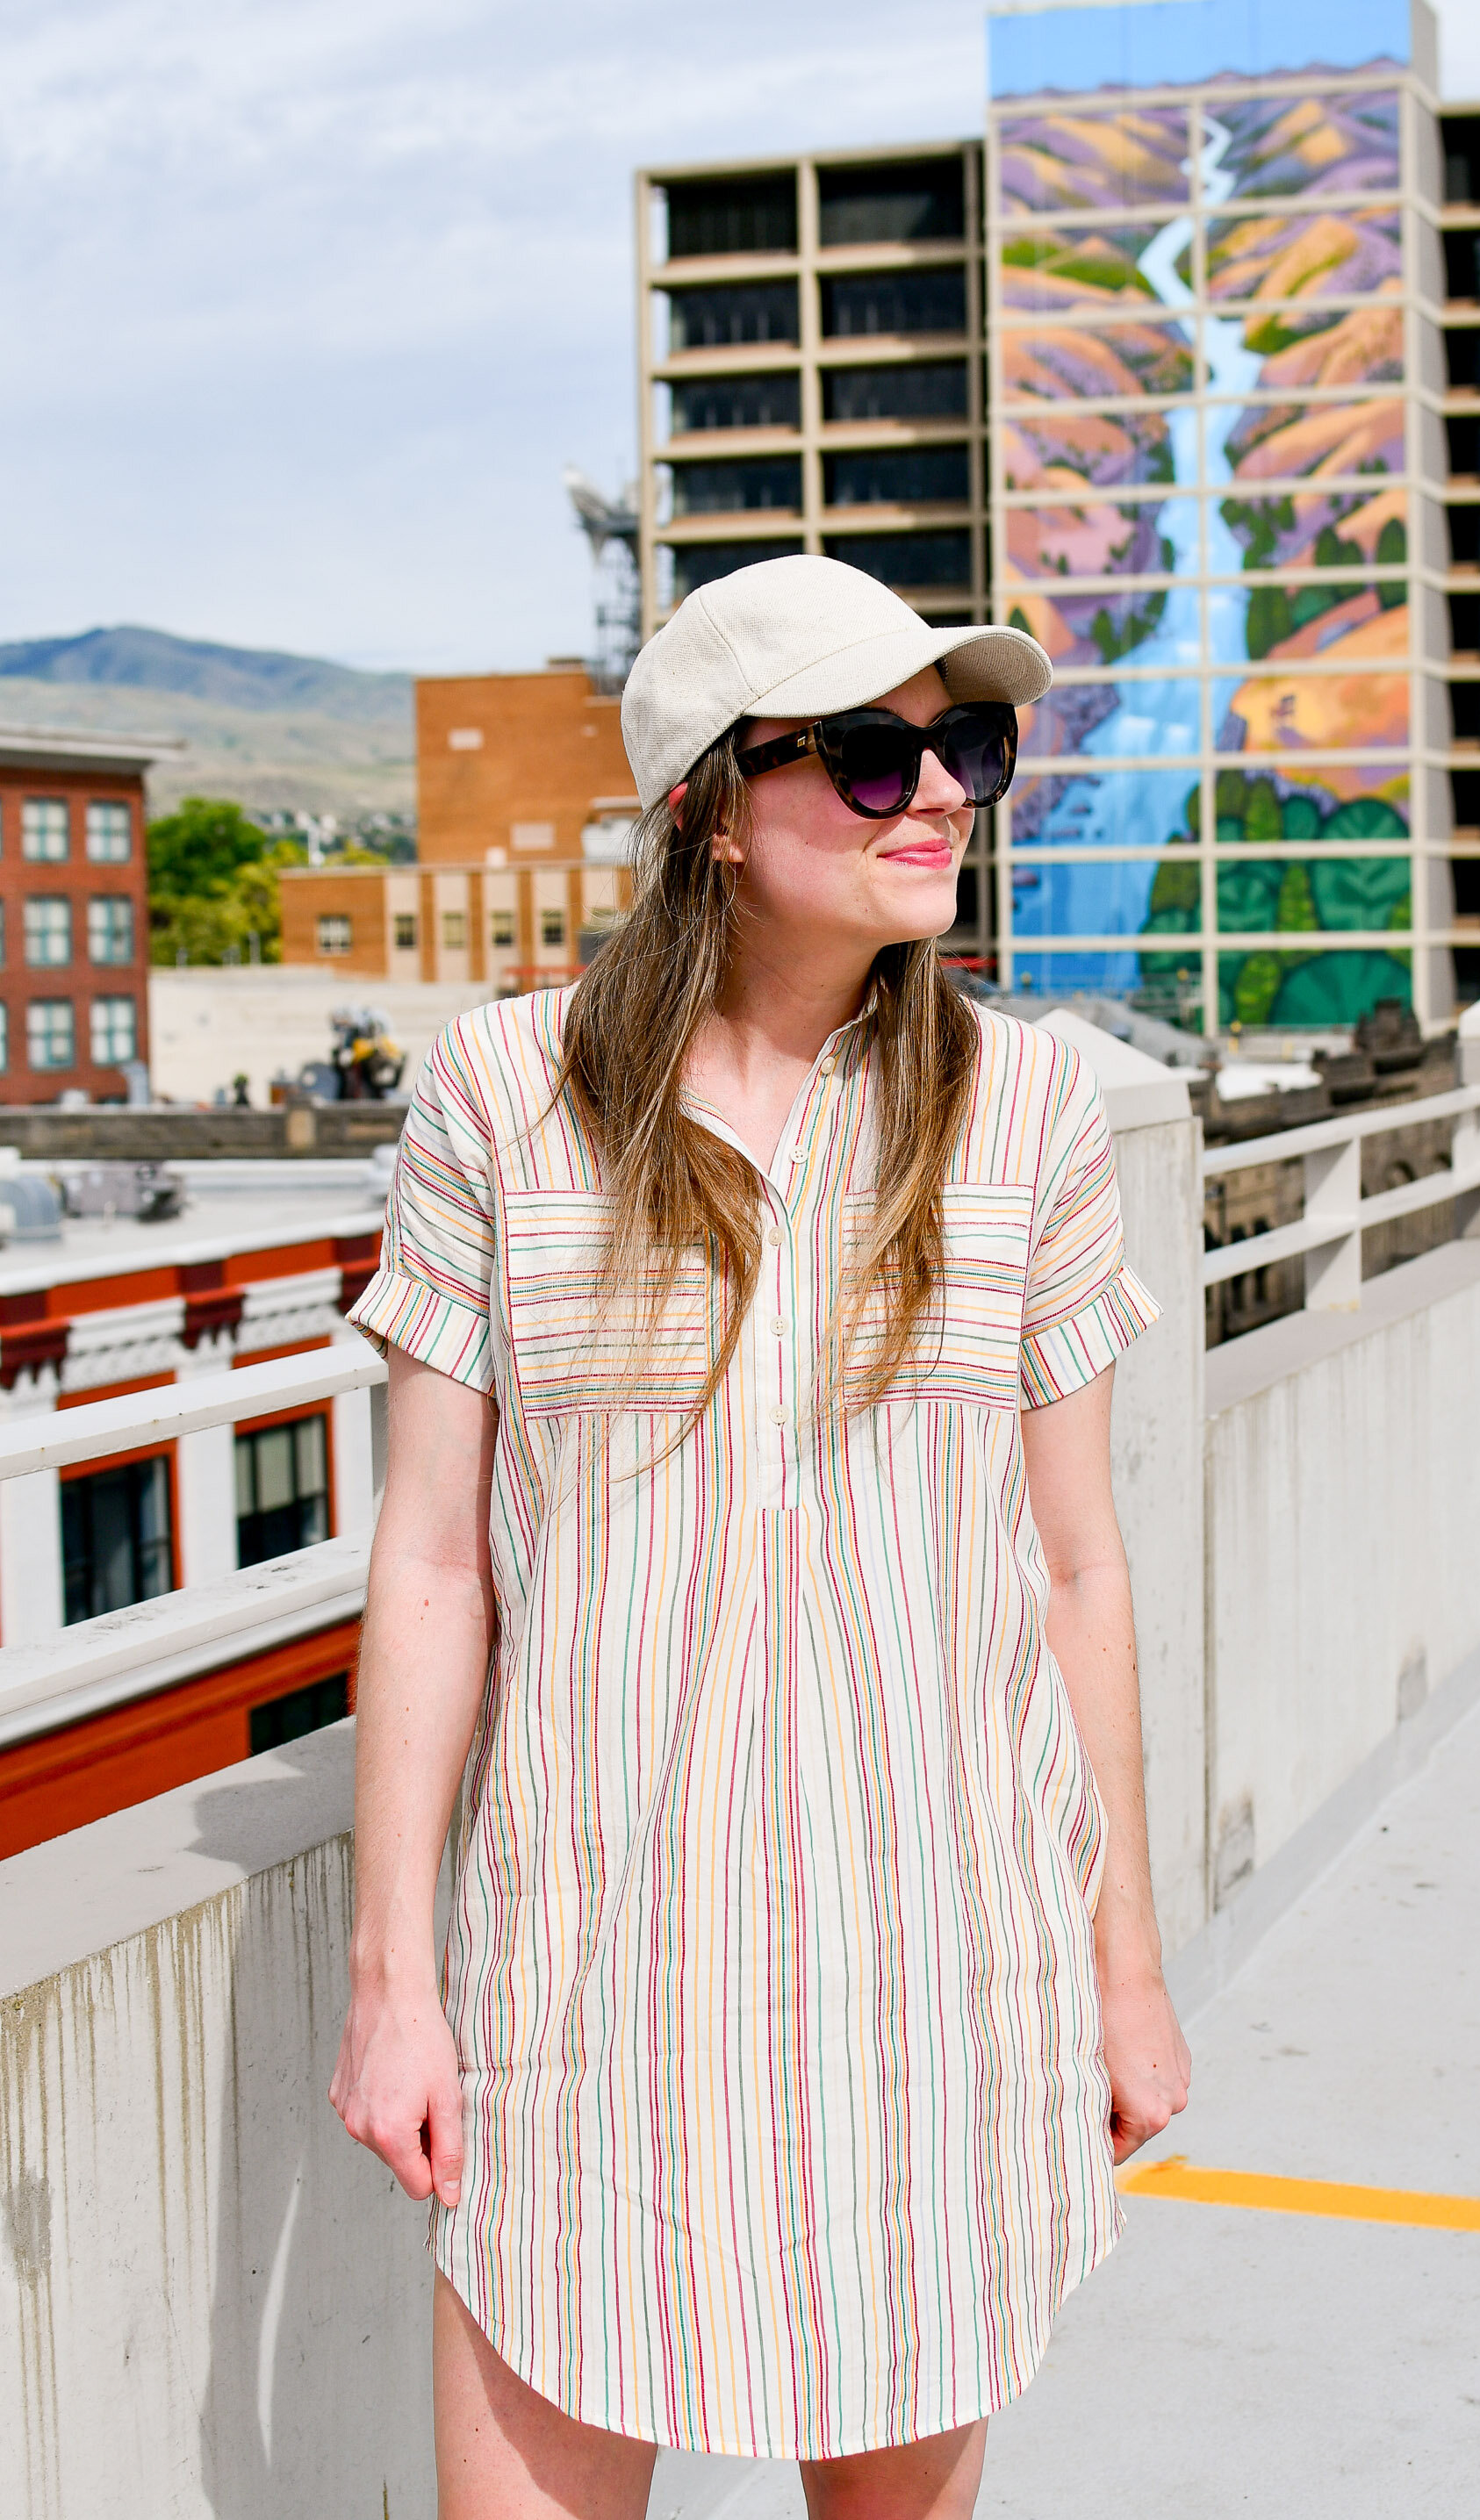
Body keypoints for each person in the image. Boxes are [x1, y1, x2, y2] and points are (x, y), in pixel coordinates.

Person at [330, 556, 1191, 2518]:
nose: (945, 795)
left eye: (964, 745)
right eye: (875, 756)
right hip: (591, 1975)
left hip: (935, 1978)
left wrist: (1121, 1964)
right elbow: (437, 1561)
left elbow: (1076, 1575)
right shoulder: (504, 1099)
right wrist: (398, 1977)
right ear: (712, 805)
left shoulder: (1026, 1112)